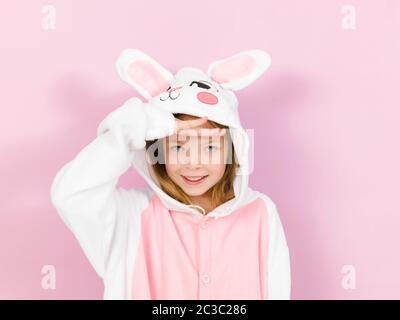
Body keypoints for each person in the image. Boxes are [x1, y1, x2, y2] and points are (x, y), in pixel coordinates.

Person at [50, 49, 291, 299]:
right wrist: (138, 125)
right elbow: (70, 194)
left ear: (233, 150)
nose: (193, 163)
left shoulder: (261, 212)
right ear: (157, 151)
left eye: (209, 147)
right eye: (177, 146)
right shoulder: (131, 216)